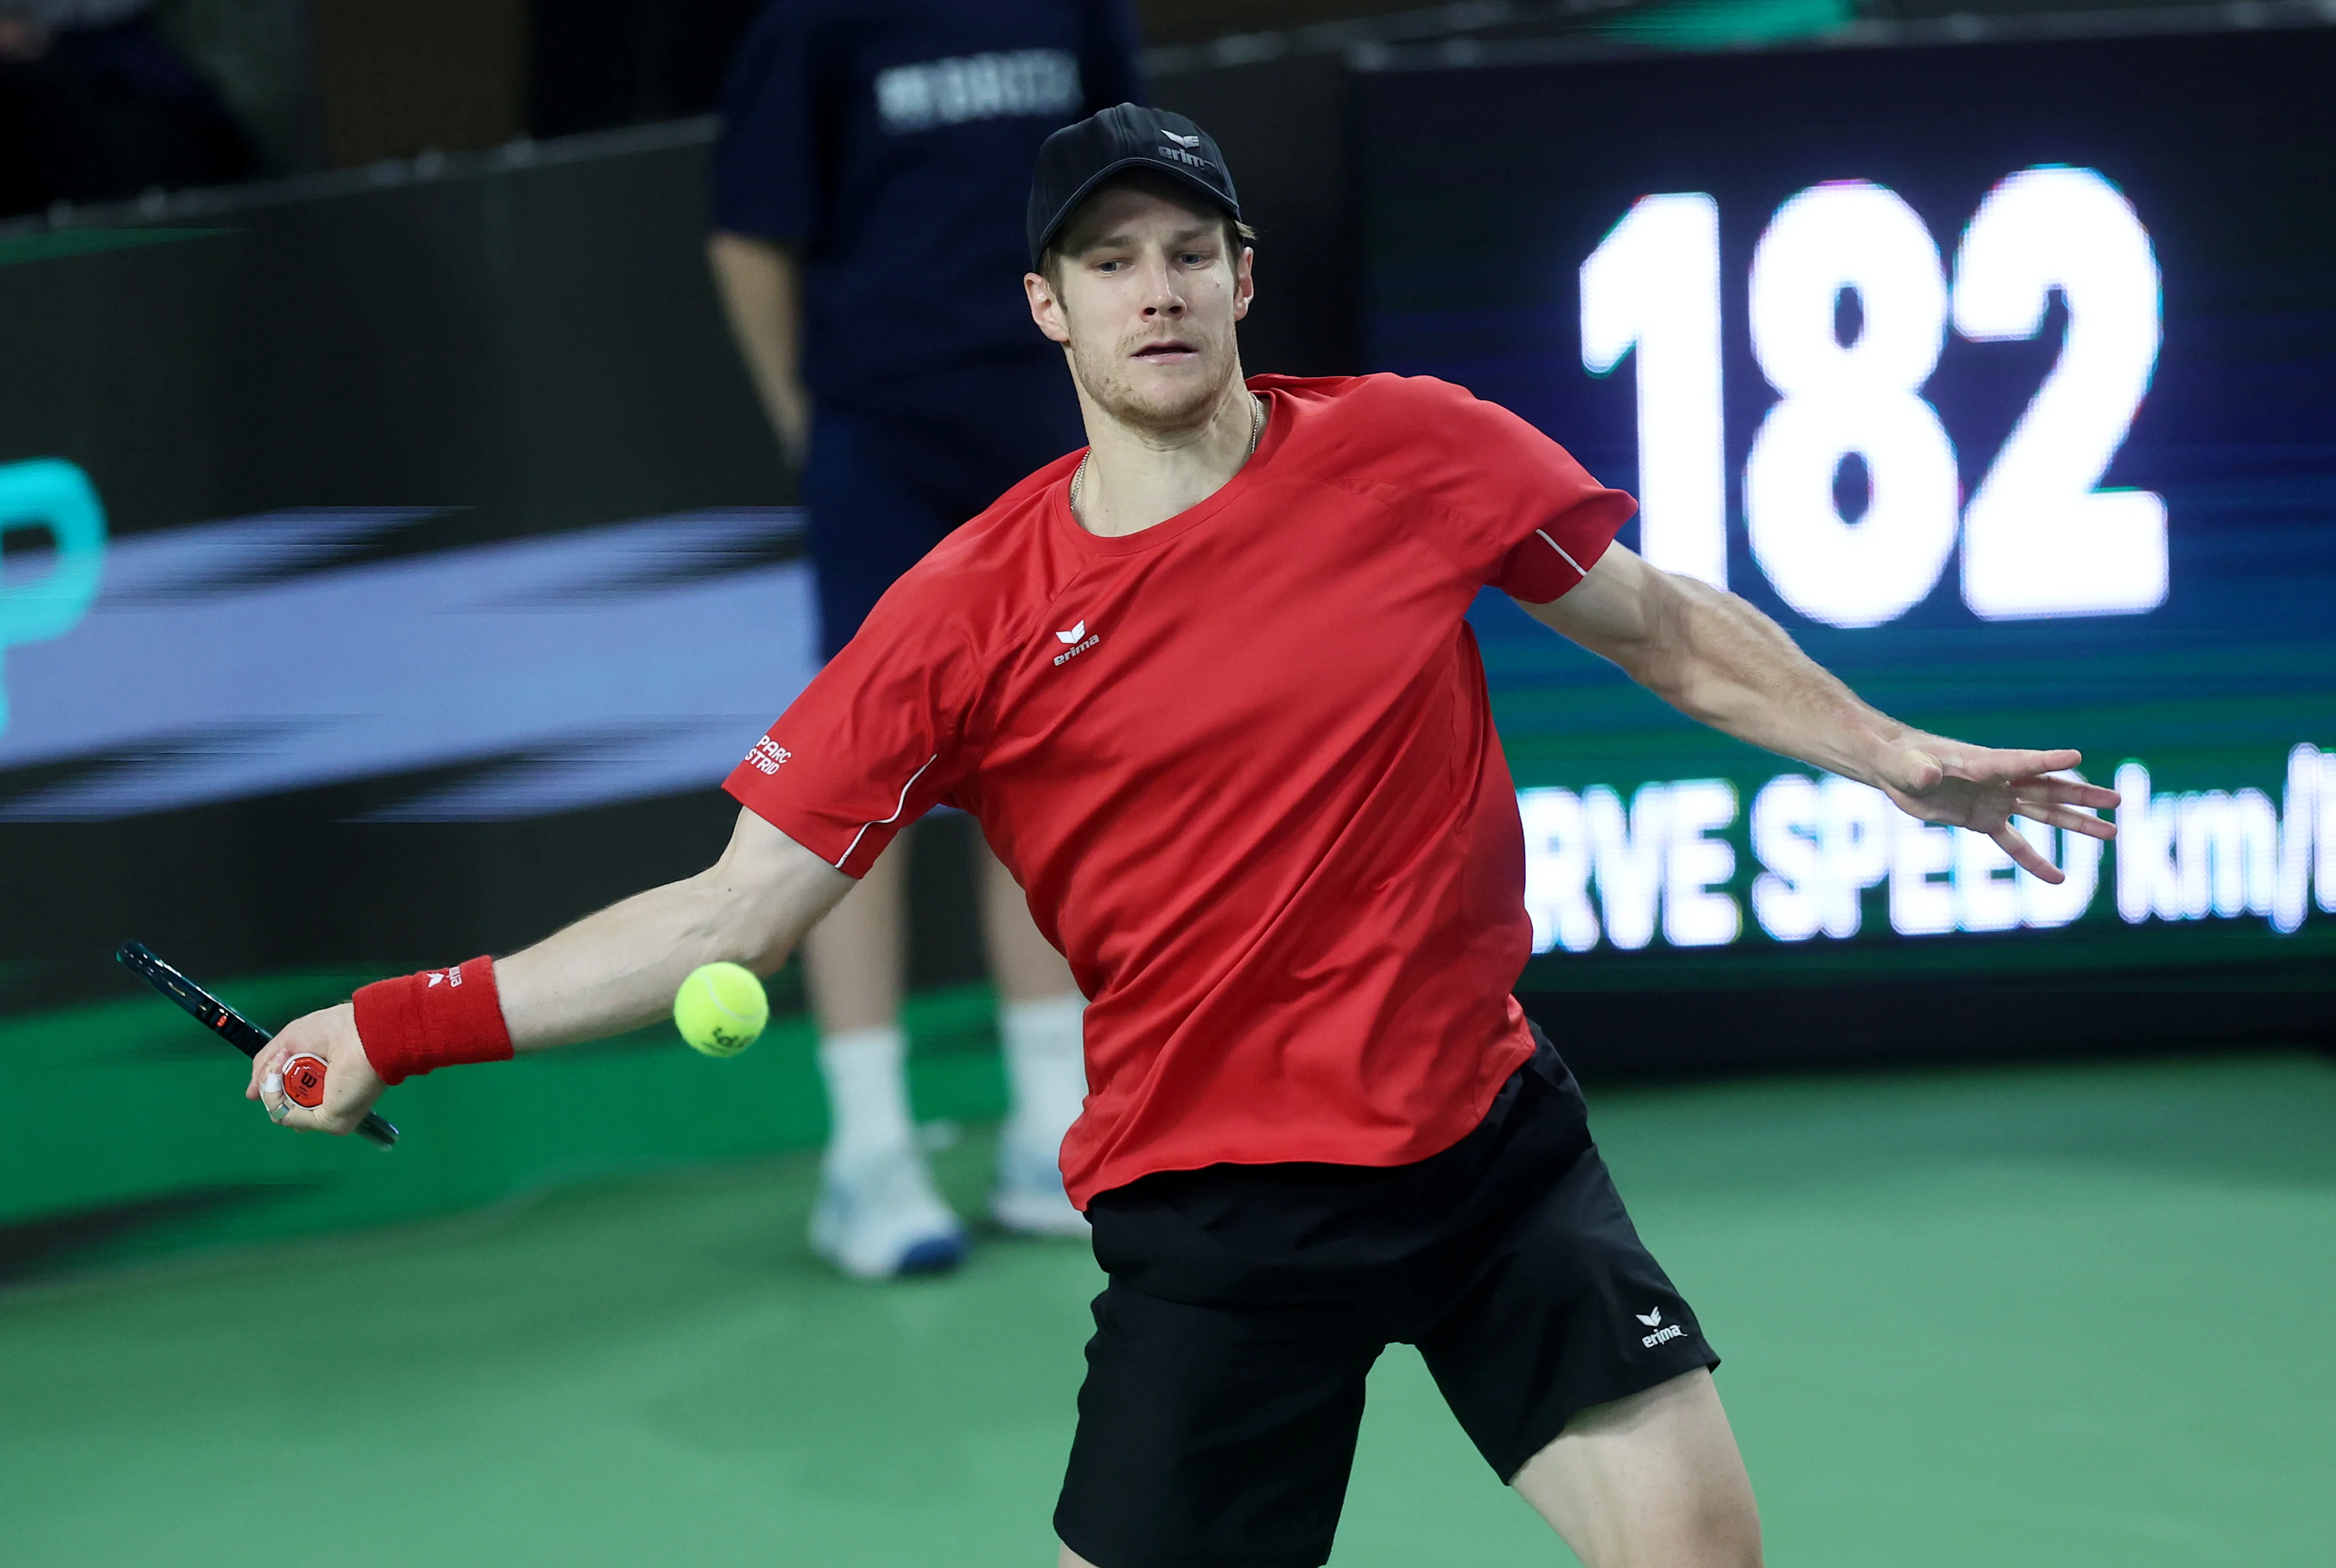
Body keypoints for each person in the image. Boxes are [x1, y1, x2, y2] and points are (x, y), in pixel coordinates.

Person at [250, 105, 2119, 1568]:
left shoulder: (1415, 450)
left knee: (1704, 1544)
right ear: (1048, 307)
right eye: (1110, 261)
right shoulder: (964, 612)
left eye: (1187, 252)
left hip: (1491, 1156)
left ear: (1242, 278)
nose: (1157, 290)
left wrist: (1884, 753)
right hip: (1225, 1220)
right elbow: (729, 919)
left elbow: (1659, 626)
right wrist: (396, 1019)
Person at [703, 0, 1142, 1277]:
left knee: (1044, 759)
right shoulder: (810, 22)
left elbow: (1125, 182)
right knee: (858, 782)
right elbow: (750, 237)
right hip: (881, 440)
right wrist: (811, 415)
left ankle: (1048, 1130)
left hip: (1049, 425)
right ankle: (871, 1153)